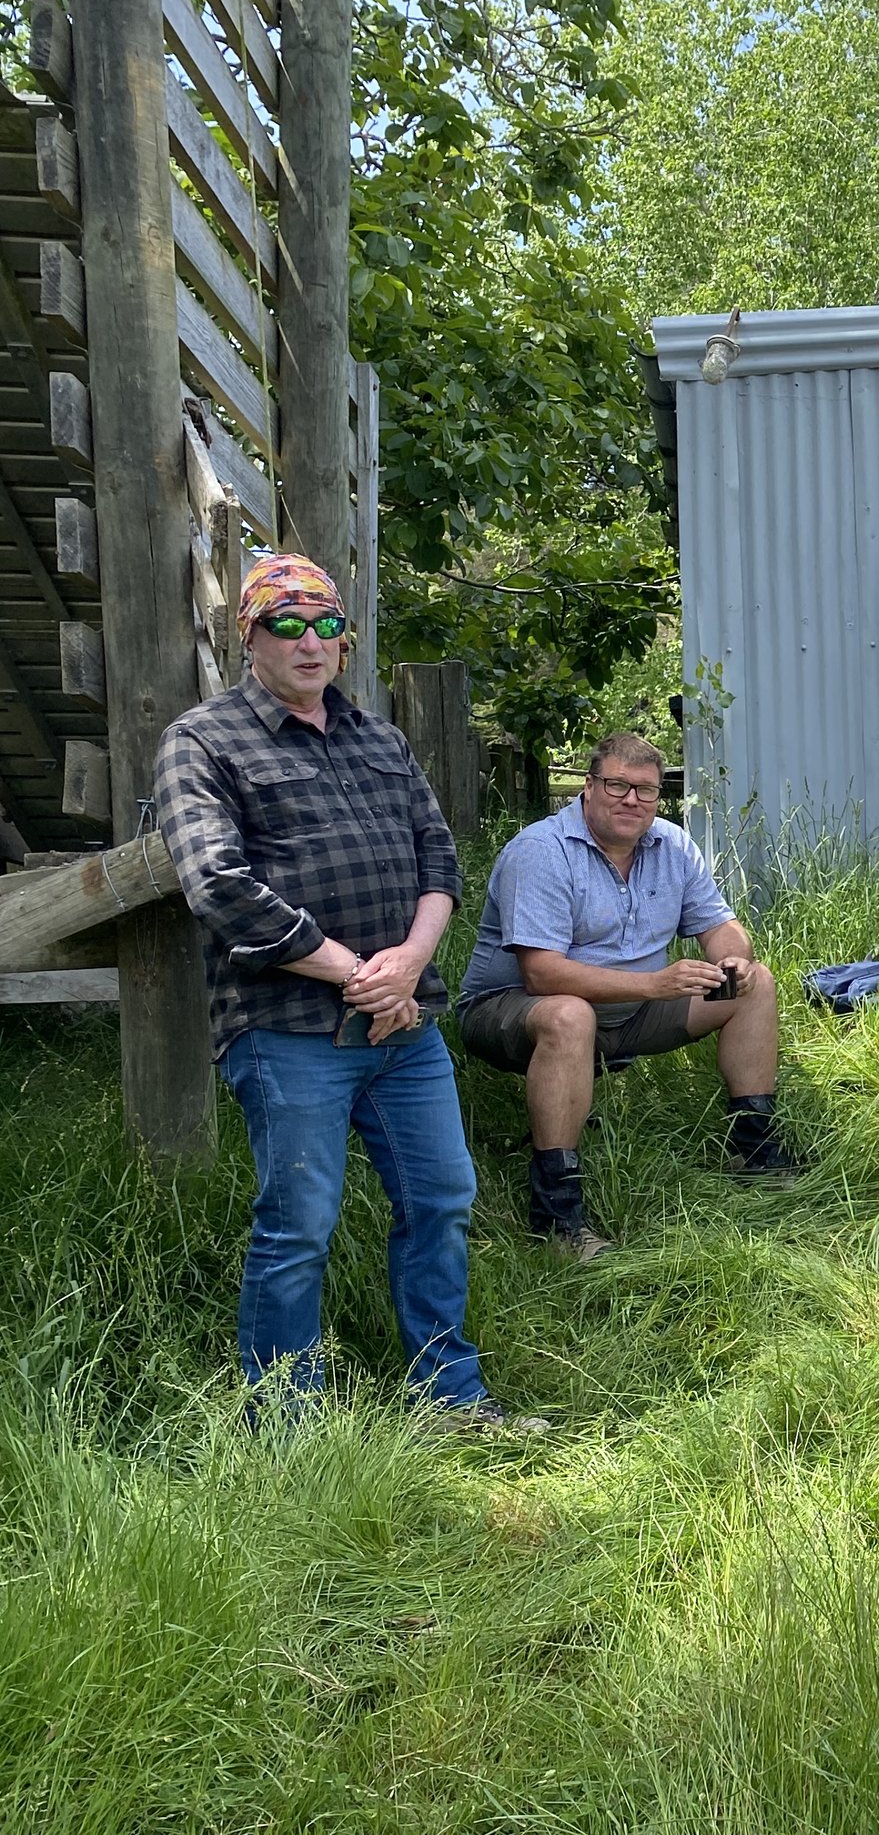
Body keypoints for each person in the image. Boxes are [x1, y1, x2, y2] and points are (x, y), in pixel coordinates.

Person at [153, 555, 540, 1431]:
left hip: (404, 1024)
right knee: (299, 1225)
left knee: (441, 1200)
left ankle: (449, 1398)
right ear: (248, 635)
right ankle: (286, 1423)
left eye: (326, 624)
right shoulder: (203, 740)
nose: (310, 642)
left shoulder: (380, 738)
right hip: (287, 1027)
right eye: (286, 624)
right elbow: (218, 885)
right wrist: (360, 974)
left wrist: (408, 962)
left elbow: (439, 860)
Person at [458, 732, 799, 1258]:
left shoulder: (672, 845)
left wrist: (733, 959)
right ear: (589, 786)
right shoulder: (541, 851)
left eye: (646, 790)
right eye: (617, 785)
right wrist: (654, 985)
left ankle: (754, 1150)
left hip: (631, 1012)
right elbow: (541, 975)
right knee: (570, 1016)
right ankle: (557, 1219)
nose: (632, 800)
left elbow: (719, 925)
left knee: (754, 985)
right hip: (511, 1011)